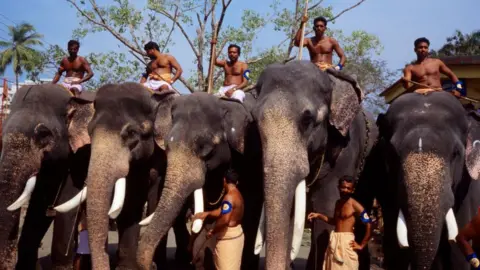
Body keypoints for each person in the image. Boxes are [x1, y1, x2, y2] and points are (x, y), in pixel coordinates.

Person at [307, 175, 372, 270]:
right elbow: (334, 221)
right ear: (338, 187)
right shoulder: (338, 203)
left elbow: (369, 225)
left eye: (348, 188)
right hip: (334, 240)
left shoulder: (355, 205)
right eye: (343, 187)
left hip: (347, 242)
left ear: (352, 190)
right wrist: (318, 215)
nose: (345, 190)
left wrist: (361, 245)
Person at [191, 170, 245, 270]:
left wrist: (213, 231)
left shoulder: (229, 197)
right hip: (237, 234)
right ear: (236, 182)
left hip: (229, 238)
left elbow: (225, 219)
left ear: (224, 180)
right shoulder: (238, 195)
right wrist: (206, 214)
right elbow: (222, 211)